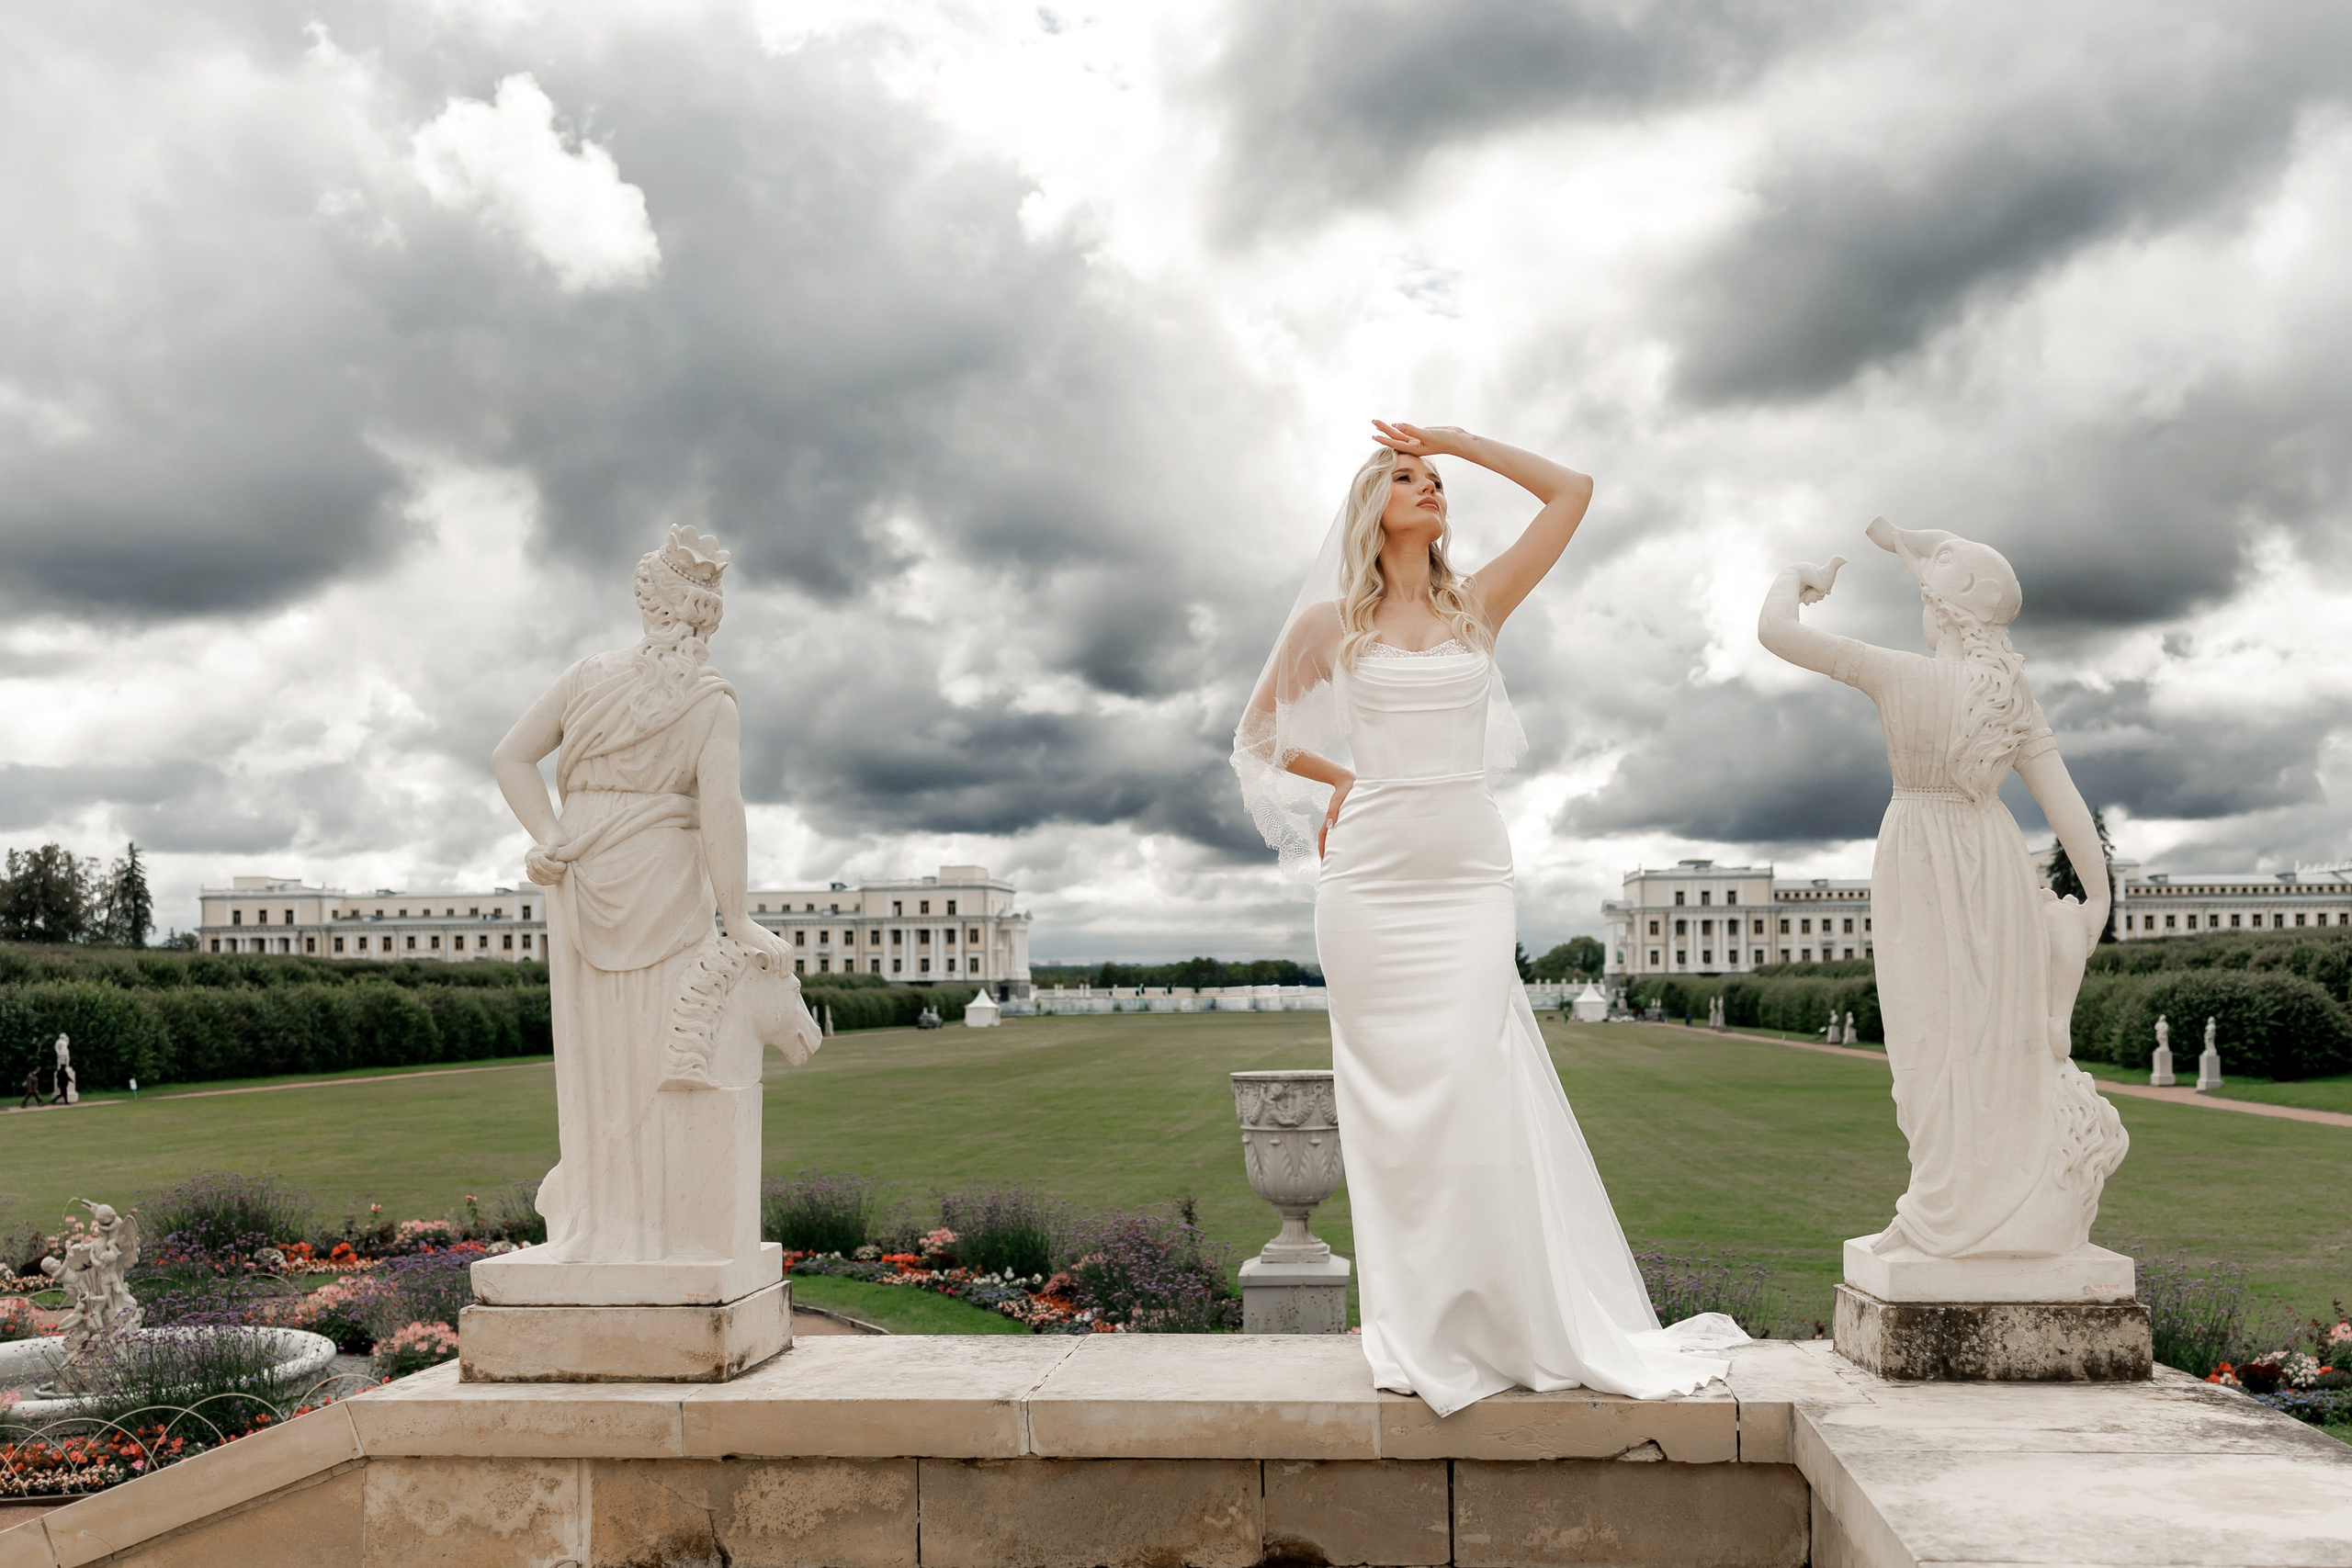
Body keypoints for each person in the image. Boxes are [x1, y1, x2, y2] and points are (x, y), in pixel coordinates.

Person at [1233, 422, 1740, 1416]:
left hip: (1466, 877)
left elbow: (1574, 492)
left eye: (1436, 483)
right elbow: (1258, 736)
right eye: (1411, 480)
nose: (1432, 491)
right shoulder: (1327, 624)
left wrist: (1459, 442)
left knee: (1474, 1080)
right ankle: (1416, 1328)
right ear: (1372, 506)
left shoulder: (1476, 608)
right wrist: (1345, 779)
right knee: (1387, 1110)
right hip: (1370, 879)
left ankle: (1503, 1316)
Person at [1758, 520, 2125, 1260]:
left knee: (1927, 1044)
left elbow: (1775, 632)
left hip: (1918, 857)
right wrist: (2099, 895)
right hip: (1994, 860)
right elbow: (2067, 806)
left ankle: (1943, 1211)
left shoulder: (1901, 673)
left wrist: (1795, 577)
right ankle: (1959, 1214)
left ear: (1942, 611)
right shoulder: (2009, 697)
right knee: (1994, 1043)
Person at [492, 525, 794, 1263]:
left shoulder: (591, 676)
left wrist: (554, 835)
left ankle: (611, 1223)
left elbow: (511, 758)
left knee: (604, 1062)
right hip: (653, 876)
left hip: (589, 873)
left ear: (647, 603)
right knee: (649, 1057)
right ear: (704, 618)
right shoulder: (711, 701)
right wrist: (740, 916)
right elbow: (722, 813)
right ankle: (643, 1227)